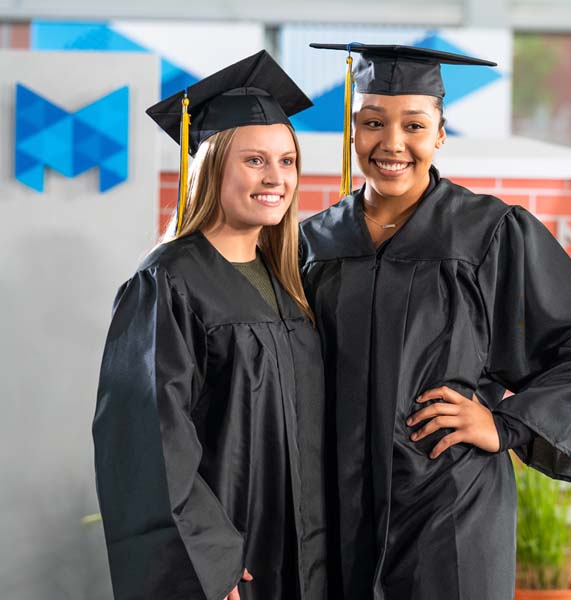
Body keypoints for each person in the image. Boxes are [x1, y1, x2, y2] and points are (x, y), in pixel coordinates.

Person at [298, 43, 571, 599]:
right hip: (336, 504)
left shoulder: (489, 231)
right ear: (353, 132)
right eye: (373, 122)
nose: (393, 143)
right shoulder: (313, 242)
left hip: (448, 501)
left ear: (440, 134)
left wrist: (504, 425)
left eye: (414, 125)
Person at [92, 51, 327, 600]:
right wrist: (208, 563)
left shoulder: (292, 278)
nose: (276, 178)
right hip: (229, 565)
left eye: (287, 160)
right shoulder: (168, 282)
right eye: (255, 161)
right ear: (211, 164)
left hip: (304, 555)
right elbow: (149, 441)